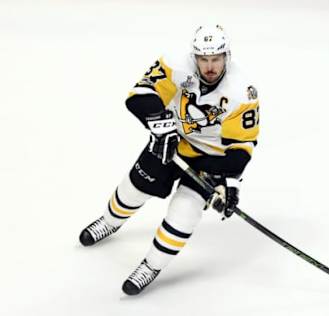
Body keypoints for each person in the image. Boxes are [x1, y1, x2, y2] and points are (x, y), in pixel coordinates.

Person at [79, 25, 260, 296]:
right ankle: (109, 221)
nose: (210, 67)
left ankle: (151, 266)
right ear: (194, 57)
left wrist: (229, 183)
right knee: (133, 188)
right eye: (203, 59)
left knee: (184, 214)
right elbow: (139, 95)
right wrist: (160, 125)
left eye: (216, 59)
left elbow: (241, 147)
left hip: (211, 160)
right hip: (171, 142)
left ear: (227, 56)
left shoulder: (242, 92)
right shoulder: (175, 64)